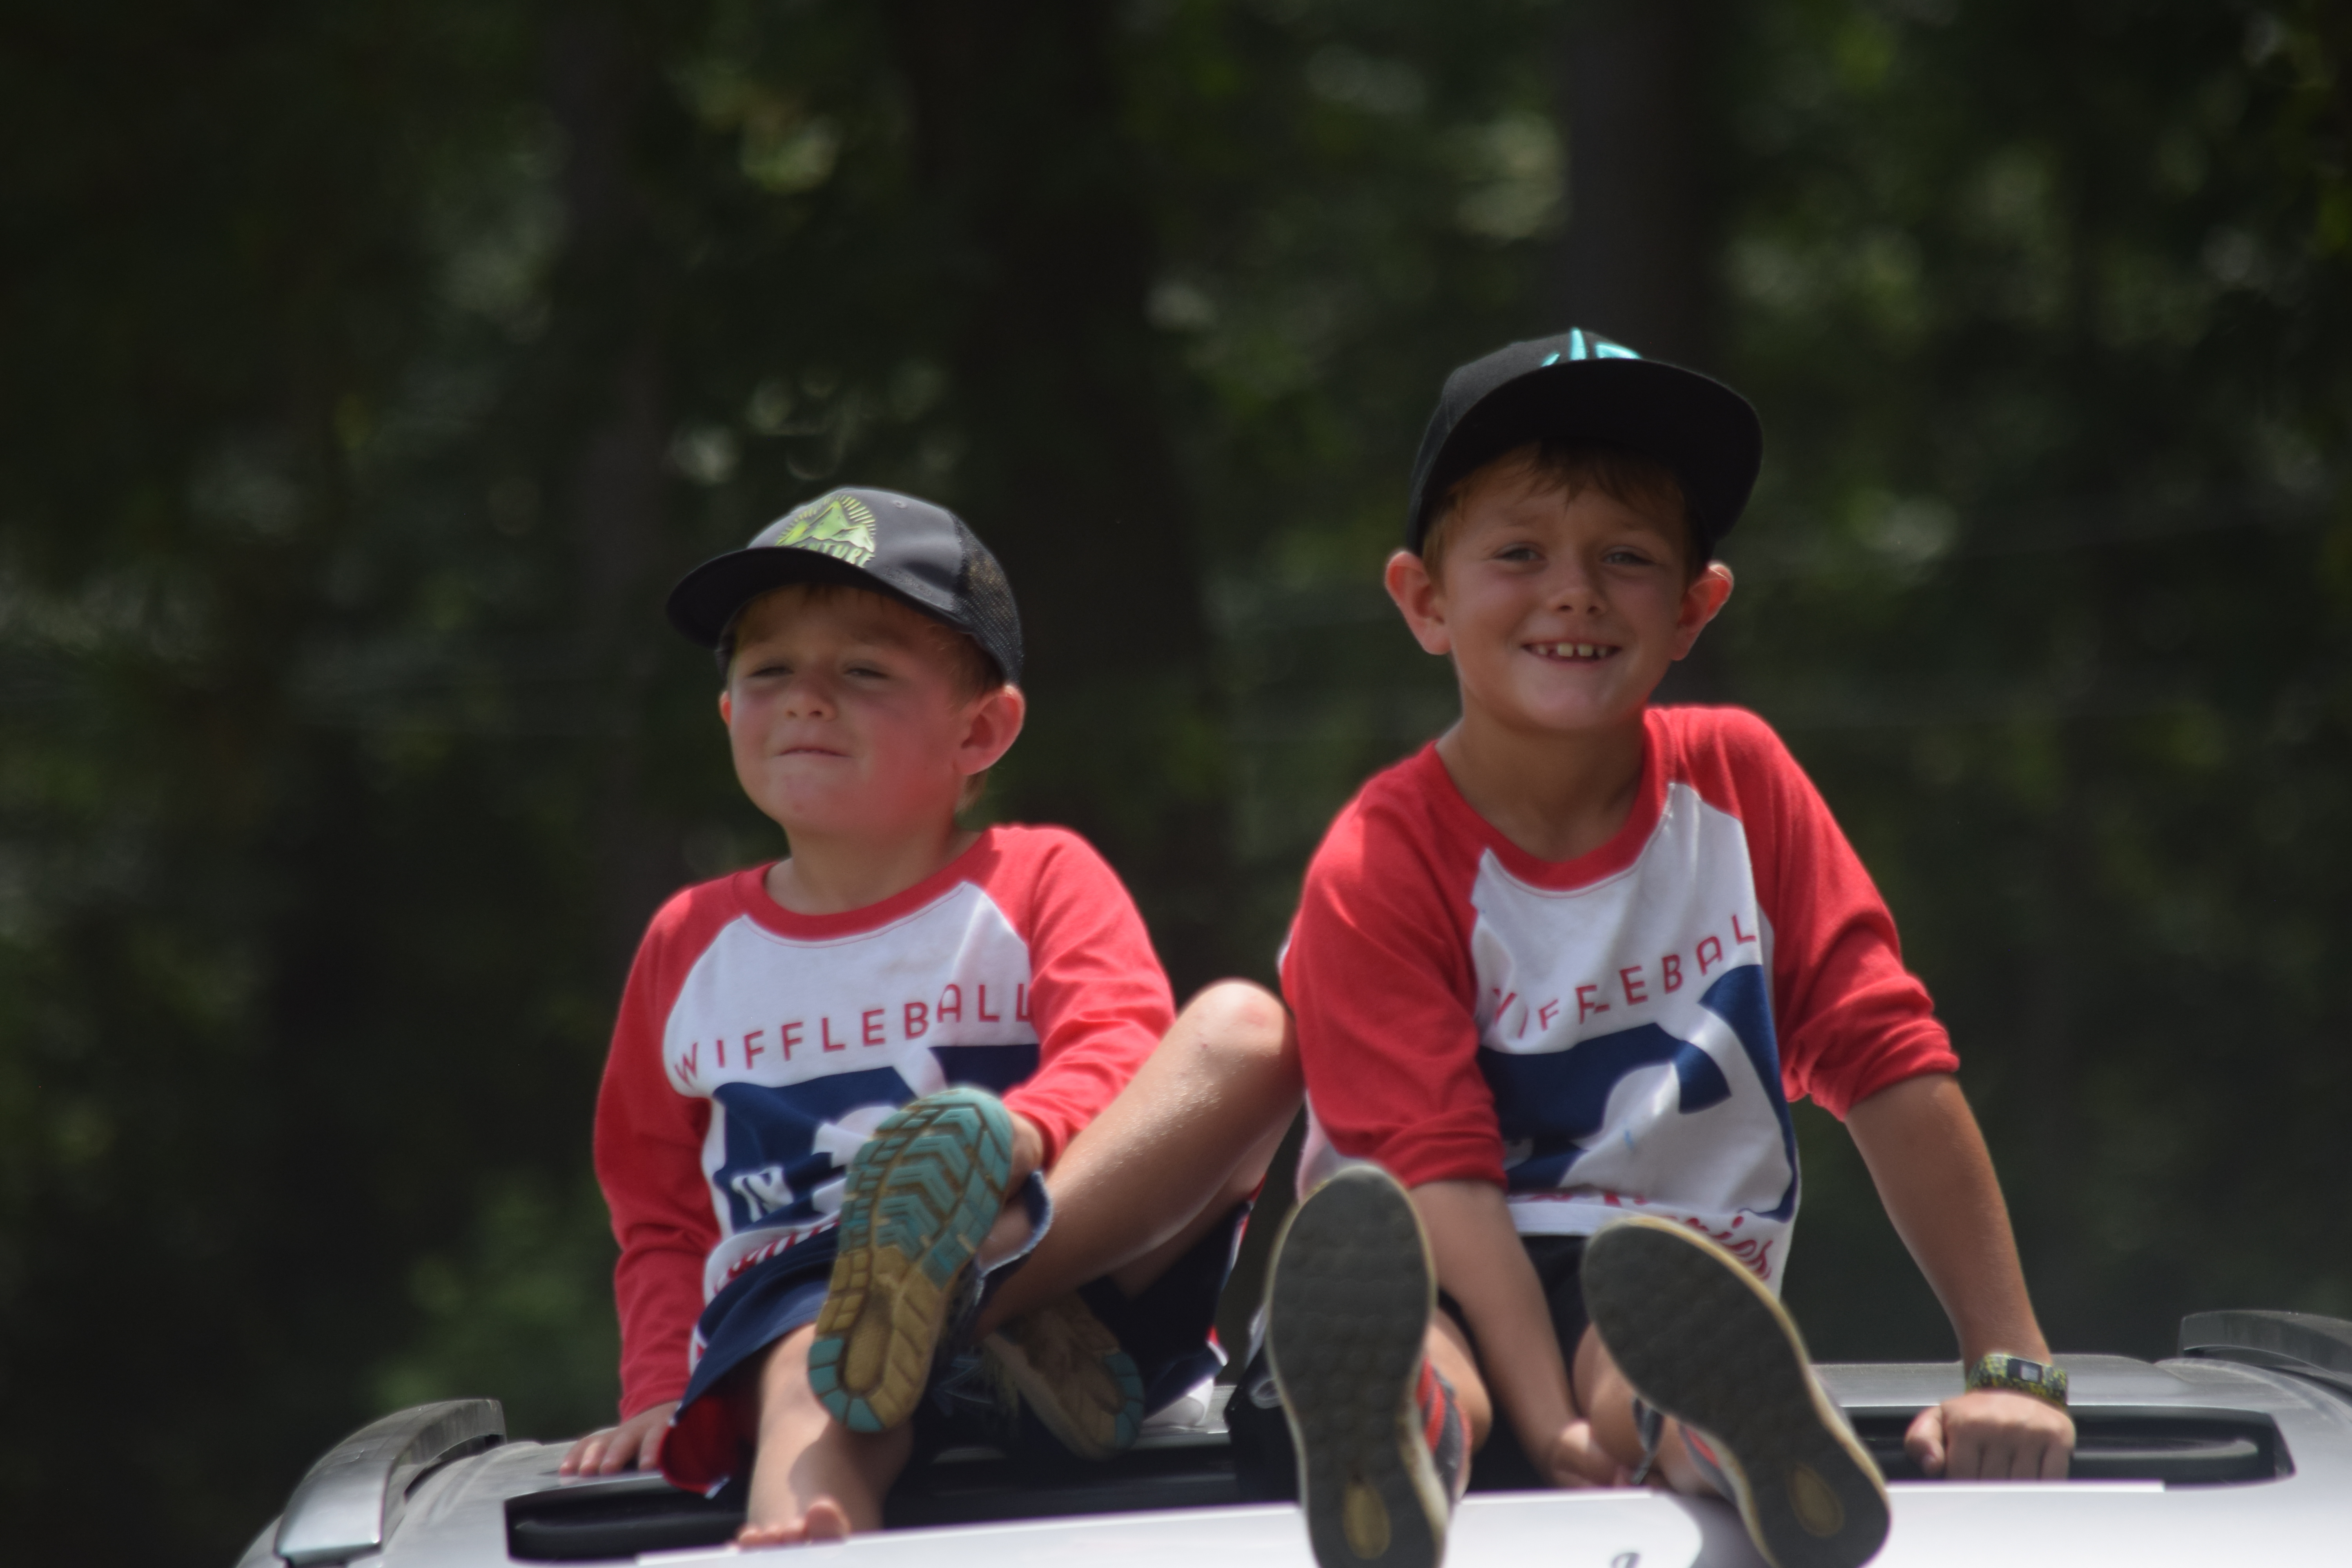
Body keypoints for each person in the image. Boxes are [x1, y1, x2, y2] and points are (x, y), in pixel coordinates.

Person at [1239, 330, 2077, 1568]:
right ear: (1425, 600)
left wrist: (2012, 1365)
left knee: (1647, 1346)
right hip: (1426, 1248)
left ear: (1694, 607)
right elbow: (1437, 1173)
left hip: (1663, 1281)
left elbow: (1889, 1062)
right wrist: (1552, 1426)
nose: (1575, 591)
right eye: (1519, 553)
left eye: (1626, 557)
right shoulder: (1381, 857)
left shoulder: (1741, 782)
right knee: (1412, 1328)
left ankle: (1727, 1432)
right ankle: (1408, 1432)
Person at [557, 487, 1300, 1545]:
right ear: (728, 713)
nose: (808, 700)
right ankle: (811, 1534)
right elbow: (662, 1213)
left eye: (863, 671)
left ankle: (972, 1290)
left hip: (1070, 1278)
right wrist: (659, 1389)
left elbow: (1119, 1055)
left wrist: (1016, 1141)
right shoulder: (688, 942)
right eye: (769, 671)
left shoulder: (1040, 877)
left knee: (1249, 1032)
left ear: (981, 729)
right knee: (812, 1379)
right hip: (811, 1305)